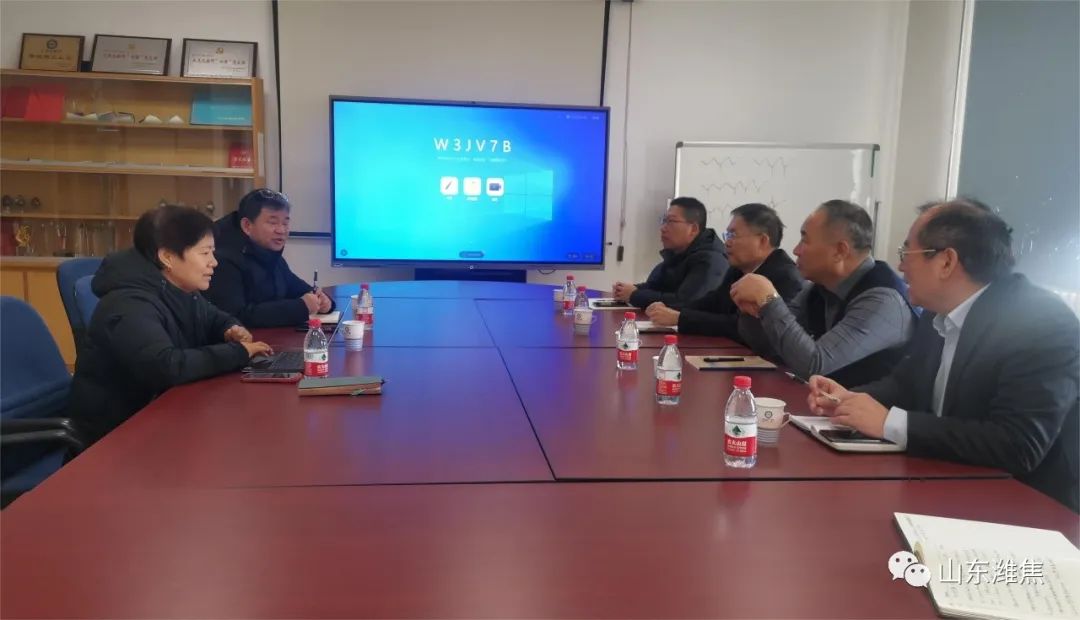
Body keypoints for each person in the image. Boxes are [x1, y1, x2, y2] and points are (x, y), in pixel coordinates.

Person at [808, 199, 1079, 511]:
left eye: (906, 253)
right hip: (948, 481)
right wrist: (849, 399)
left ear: (946, 262)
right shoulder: (938, 311)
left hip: (1026, 507)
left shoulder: (1041, 323)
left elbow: (1019, 444)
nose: (900, 267)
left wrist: (889, 423)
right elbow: (906, 385)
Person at [69, 206, 273, 445]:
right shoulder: (129, 304)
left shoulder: (178, 288)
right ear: (167, 257)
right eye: (205, 253)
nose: (214, 262)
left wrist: (230, 329)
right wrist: (238, 352)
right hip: (115, 440)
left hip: (160, 420)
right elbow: (167, 366)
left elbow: (214, 318)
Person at [732, 200, 916, 386]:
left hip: (871, 403)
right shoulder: (819, 288)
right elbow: (771, 345)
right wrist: (753, 309)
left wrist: (769, 300)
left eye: (805, 240)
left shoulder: (882, 300)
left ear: (839, 251)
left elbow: (815, 365)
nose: (796, 250)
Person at [644, 203, 804, 339]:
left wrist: (680, 318)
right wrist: (670, 309)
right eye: (727, 235)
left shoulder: (786, 277)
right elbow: (712, 303)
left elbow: (743, 327)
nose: (727, 242)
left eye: (733, 235)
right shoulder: (738, 269)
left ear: (762, 240)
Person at [204, 188, 333, 328]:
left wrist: (323, 301)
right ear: (247, 226)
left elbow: (298, 289)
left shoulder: (270, 254)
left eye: (285, 223)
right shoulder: (224, 260)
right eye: (273, 222)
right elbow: (237, 316)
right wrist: (301, 307)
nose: (281, 230)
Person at [613, 197, 728, 309]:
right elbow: (656, 286)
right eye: (664, 221)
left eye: (671, 221)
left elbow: (685, 302)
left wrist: (634, 295)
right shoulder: (677, 254)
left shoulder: (711, 261)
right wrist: (631, 289)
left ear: (693, 229)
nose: (663, 228)